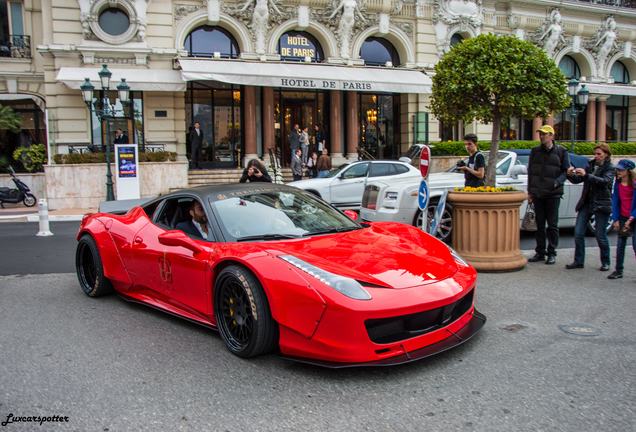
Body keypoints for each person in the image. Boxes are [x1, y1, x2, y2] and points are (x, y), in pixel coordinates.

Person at [565, 143, 614, 271]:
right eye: (595, 154)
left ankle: (606, 261)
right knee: (578, 233)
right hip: (587, 202)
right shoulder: (591, 164)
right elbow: (578, 180)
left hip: (601, 203)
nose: (596, 156)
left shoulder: (610, 168)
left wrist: (586, 175)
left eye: (599, 154)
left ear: (606, 155)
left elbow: (605, 182)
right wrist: (570, 174)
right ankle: (578, 261)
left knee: (600, 235)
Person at [527, 124, 570, 265]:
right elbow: (531, 172)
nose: (542, 136)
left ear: (552, 136)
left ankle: (552, 252)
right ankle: (540, 252)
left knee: (552, 225)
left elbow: (566, 171)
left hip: (553, 194)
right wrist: (530, 192)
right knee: (539, 225)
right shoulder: (535, 151)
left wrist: (557, 182)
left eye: (545, 134)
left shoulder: (562, 151)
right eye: (541, 134)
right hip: (538, 193)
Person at [608, 159, 636, 279]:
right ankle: (618, 271)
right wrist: (615, 219)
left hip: (634, 217)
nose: (618, 171)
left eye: (621, 170)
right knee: (620, 244)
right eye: (617, 169)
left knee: (635, 245)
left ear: (628, 171)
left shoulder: (634, 184)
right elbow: (615, 202)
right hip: (623, 216)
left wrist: (631, 218)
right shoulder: (618, 183)